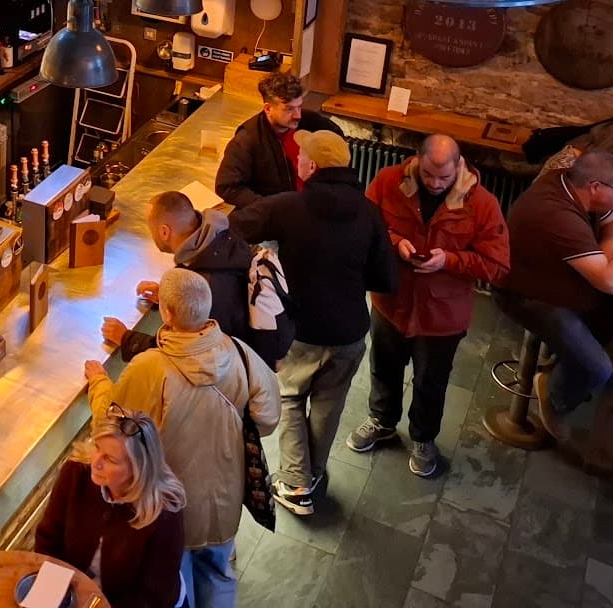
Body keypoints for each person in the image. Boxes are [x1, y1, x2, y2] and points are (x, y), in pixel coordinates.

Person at [85, 268, 280, 608]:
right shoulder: (240, 353)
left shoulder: (150, 368)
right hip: (225, 500)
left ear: (167, 313)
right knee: (219, 574)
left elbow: (110, 426)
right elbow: (268, 418)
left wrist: (100, 383)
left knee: (177, 584)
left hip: (171, 506)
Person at [233, 129, 400, 516]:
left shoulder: (289, 206)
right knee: (329, 404)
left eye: (301, 156)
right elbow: (386, 280)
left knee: (290, 396)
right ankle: (313, 474)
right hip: (349, 331)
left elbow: (235, 226)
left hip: (301, 330)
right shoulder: (369, 212)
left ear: (310, 165)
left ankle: (294, 484)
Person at [348, 135, 510, 477]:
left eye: (445, 178)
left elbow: (497, 266)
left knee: (430, 382)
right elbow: (364, 227)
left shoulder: (482, 204)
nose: (436, 184)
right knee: (383, 367)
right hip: (391, 302)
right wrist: (395, 243)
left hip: (442, 317)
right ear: (416, 161)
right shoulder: (387, 182)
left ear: (459, 167)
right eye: (429, 176)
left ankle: (423, 438)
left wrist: (449, 260)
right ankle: (382, 420)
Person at [493, 150, 613, 442]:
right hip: (523, 294)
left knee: (612, 314)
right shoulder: (557, 213)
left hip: (554, 280)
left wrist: (603, 257)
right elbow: (611, 281)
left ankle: (562, 366)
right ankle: (556, 401)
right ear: (595, 186)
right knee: (598, 368)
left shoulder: (571, 184)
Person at [101, 189, 293, 367]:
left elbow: (187, 356)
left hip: (231, 374)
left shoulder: (209, 285)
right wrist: (173, 296)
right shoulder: (219, 241)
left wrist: (127, 339)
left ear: (164, 232)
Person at [35, 407, 187, 608]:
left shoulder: (164, 513)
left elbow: (153, 597)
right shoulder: (75, 473)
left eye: (110, 459)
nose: (95, 462)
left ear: (137, 469)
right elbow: (49, 539)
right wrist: (57, 596)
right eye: (97, 447)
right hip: (73, 594)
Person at [215, 73, 343, 208]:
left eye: (299, 106)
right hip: (276, 216)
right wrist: (270, 207)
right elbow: (227, 187)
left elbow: (336, 141)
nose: (298, 115)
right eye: (289, 109)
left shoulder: (310, 122)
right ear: (268, 108)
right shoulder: (247, 140)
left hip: (313, 204)